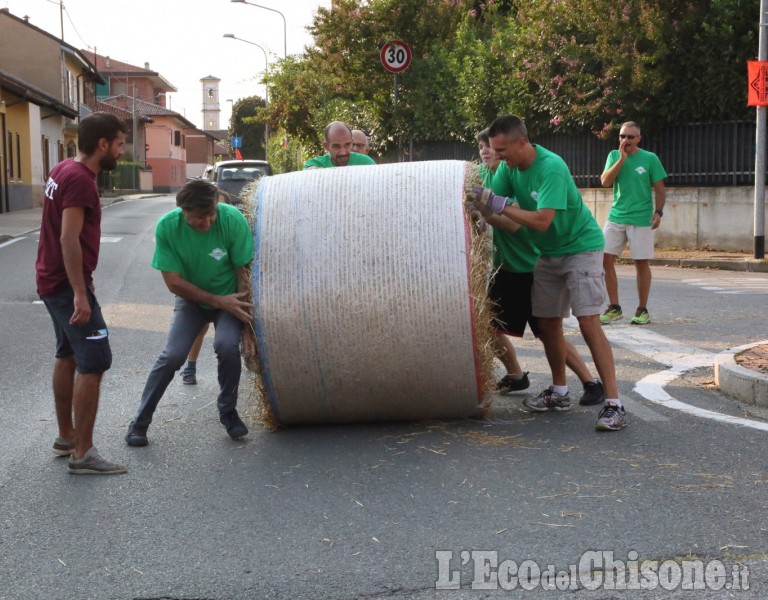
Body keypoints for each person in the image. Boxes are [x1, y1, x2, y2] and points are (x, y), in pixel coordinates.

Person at [466, 114, 626, 431]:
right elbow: (509, 221)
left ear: (521, 142)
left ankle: (614, 404)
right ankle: (559, 391)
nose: (497, 157)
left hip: (581, 247)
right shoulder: (509, 170)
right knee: (547, 323)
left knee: (588, 322)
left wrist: (495, 205)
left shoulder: (550, 167)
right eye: (494, 151)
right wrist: (481, 212)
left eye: (501, 150)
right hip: (548, 253)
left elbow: (541, 221)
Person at [125, 179, 255, 446]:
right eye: (199, 218)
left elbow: (244, 271)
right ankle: (139, 422)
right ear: (183, 211)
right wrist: (216, 301)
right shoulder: (167, 228)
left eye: (211, 215)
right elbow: (173, 282)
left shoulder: (232, 219)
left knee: (227, 346)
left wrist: (248, 326)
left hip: (231, 298)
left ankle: (228, 413)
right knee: (172, 355)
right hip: (192, 301)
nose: (207, 223)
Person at [35, 112, 128, 474]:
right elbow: (68, 237)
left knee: (68, 354)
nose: (122, 151)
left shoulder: (62, 169)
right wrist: (80, 293)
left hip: (50, 279)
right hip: (64, 284)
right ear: (102, 144)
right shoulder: (80, 181)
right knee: (95, 361)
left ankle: (66, 437)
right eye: (119, 144)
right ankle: (83, 453)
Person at [599, 121, 667, 325]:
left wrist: (658, 212)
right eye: (622, 136)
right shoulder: (614, 155)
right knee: (604, 259)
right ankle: (614, 307)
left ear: (638, 138)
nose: (625, 140)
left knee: (640, 262)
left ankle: (642, 309)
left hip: (641, 218)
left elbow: (660, 188)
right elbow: (605, 181)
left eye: (630, 137)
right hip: (617, 216)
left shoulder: (650, 158)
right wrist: (621, 158)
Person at [304, 121, 376, 169]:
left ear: (351, 141)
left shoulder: (366, 163)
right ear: (326, 146)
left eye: (347, 145)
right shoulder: (316, 164)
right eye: (336, 146)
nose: (343, 152)